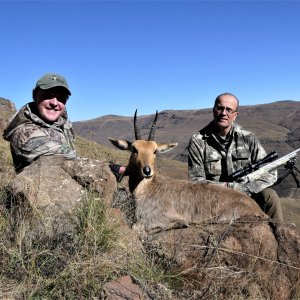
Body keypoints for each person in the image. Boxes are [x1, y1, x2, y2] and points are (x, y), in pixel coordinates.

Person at [187, 92, 283, 225]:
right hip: (213, 197)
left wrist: (247, 188)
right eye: (220, 108)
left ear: (235, 115)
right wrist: (228, 187)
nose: (223, 113)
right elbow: (195, 182)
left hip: (247, 193)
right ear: (213, 111)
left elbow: (270, 173)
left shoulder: (248, 138)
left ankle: (281, 235)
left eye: (229, 110)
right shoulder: (198, 141)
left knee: (270, 197)